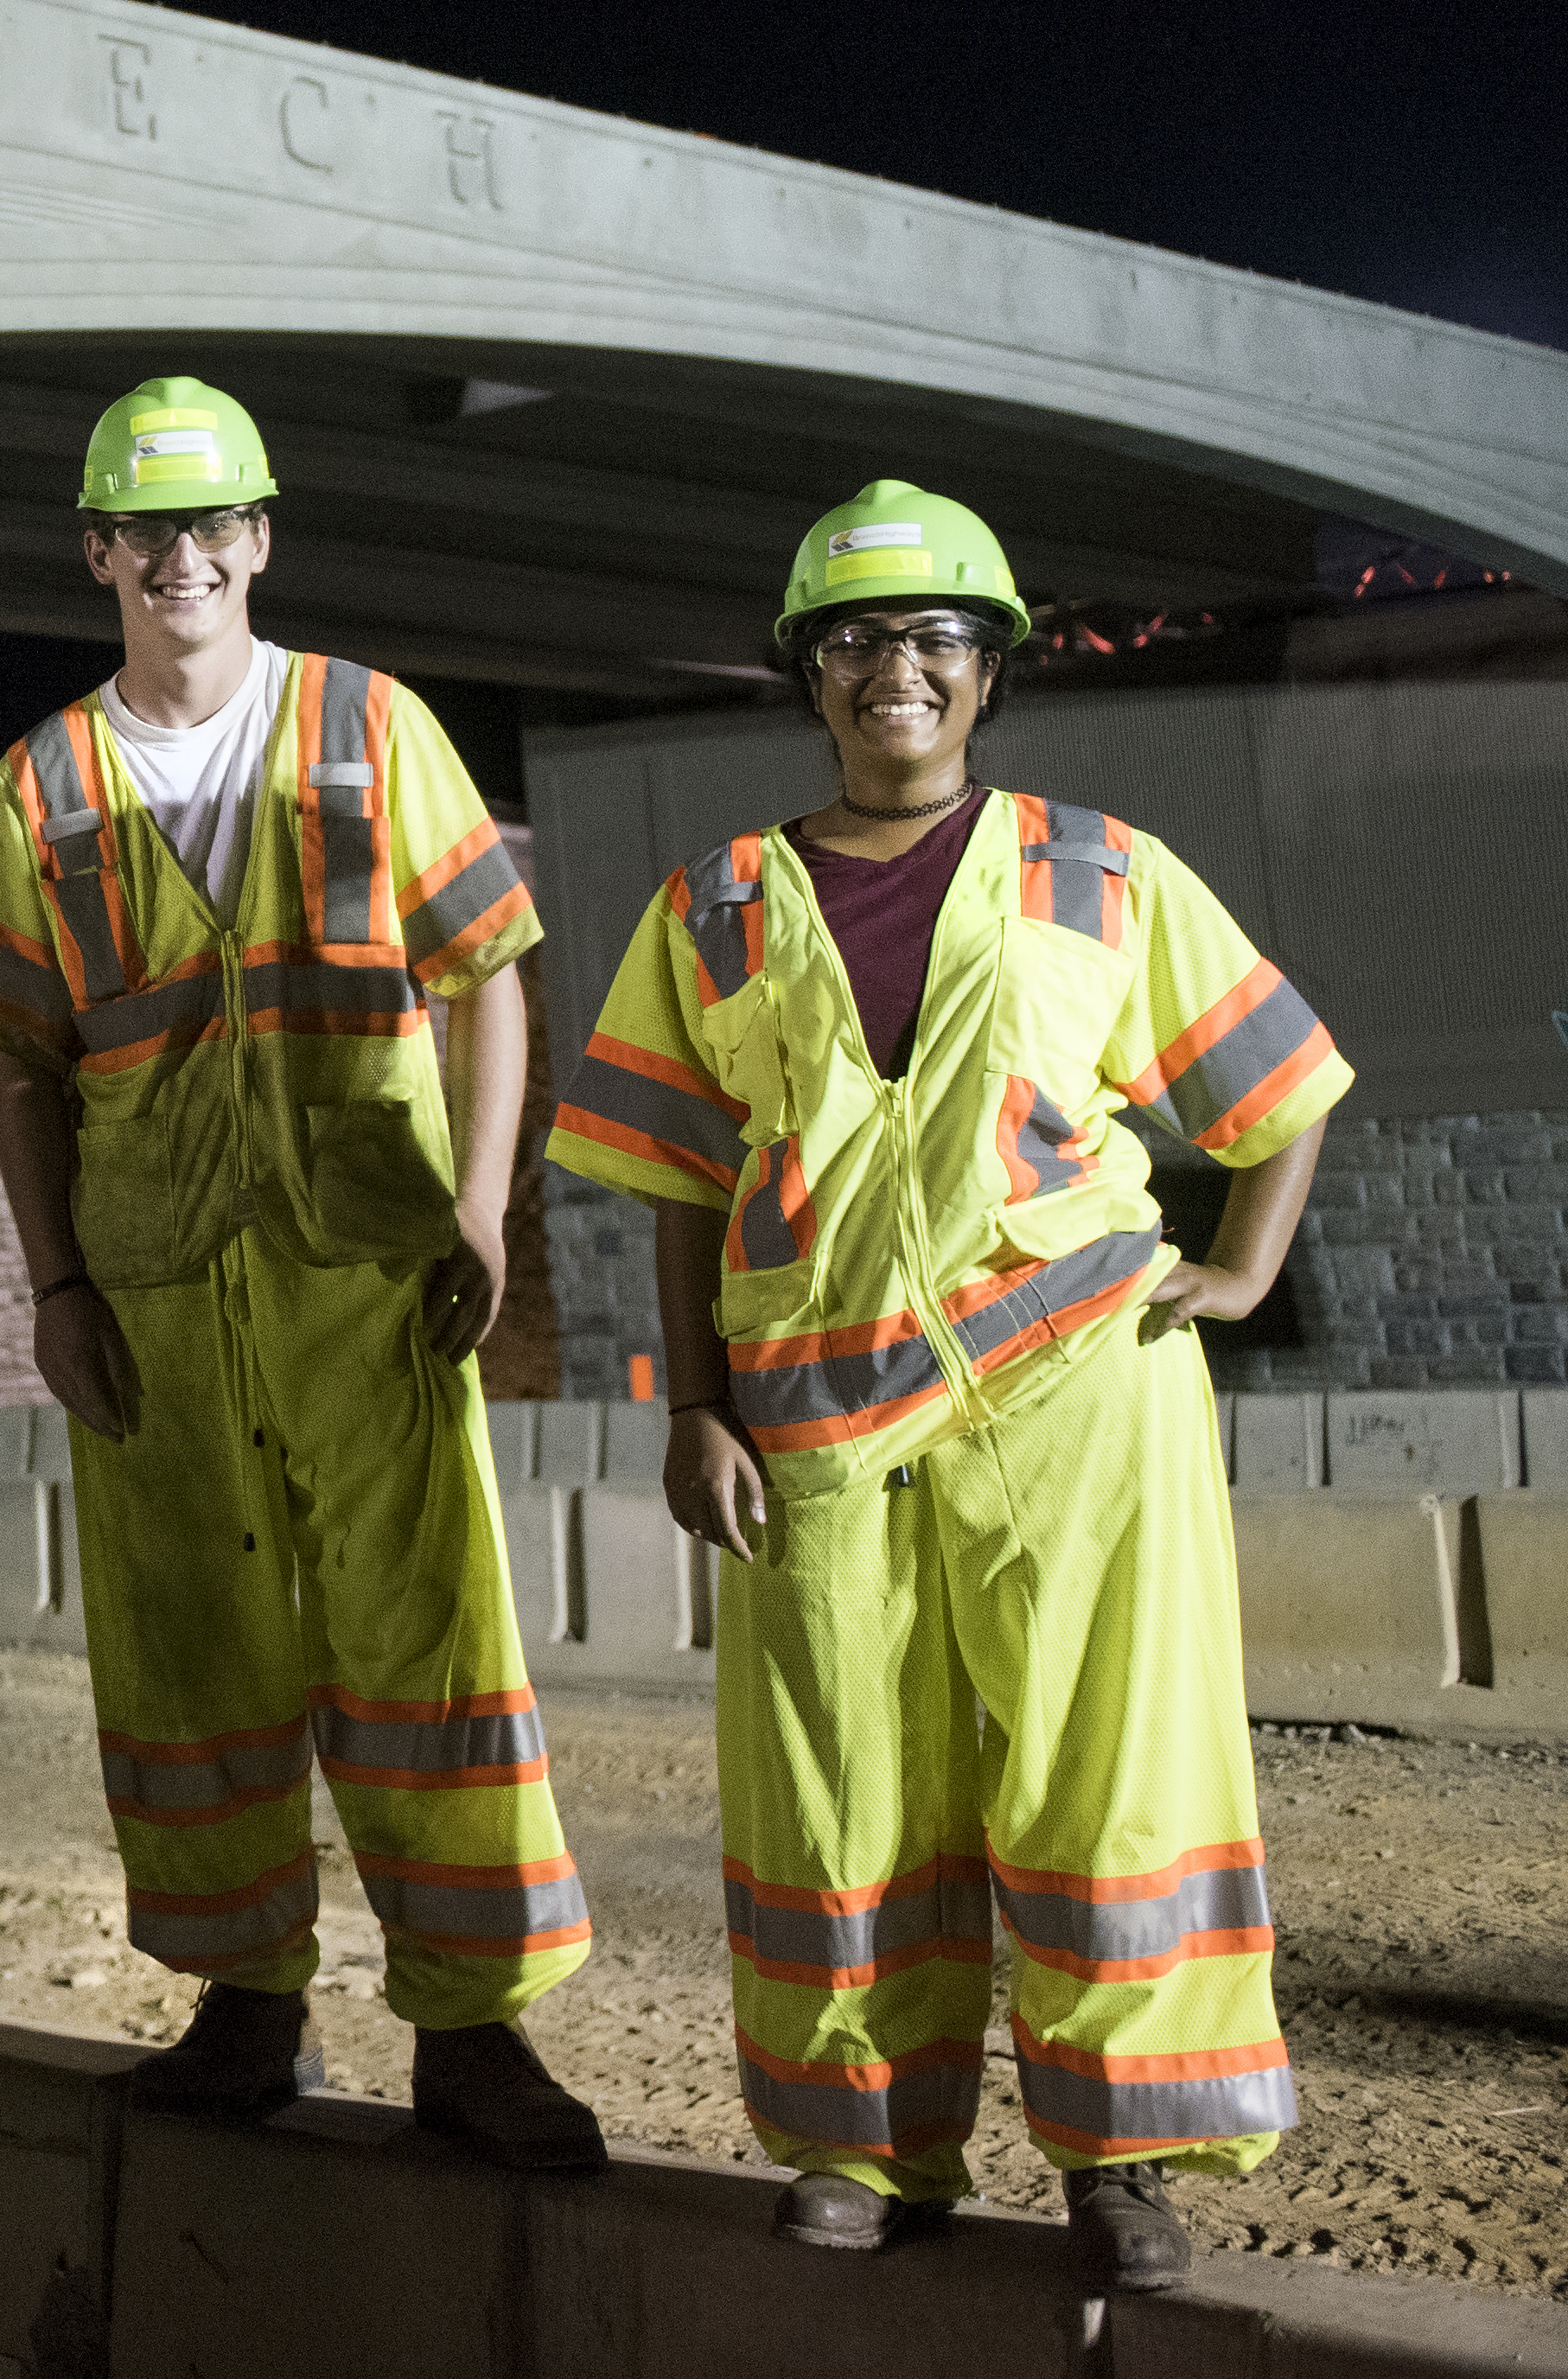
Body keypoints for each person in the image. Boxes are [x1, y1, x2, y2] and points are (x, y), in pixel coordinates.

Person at [546, 480, 1342, 2293]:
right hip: (813, 1434)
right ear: (802, 677)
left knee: (1100, 1774)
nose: (889, 671)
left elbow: (1275, 1088)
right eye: (850, 643)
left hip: (1074, 1396)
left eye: (928, 640)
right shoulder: (717, 907)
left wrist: (1238, 1269)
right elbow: (676, 1173)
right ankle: (861, 2146)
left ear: (986, 672)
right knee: (839, 1798)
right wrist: (689, 1402)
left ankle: (1121, 2159)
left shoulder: (1099, 871)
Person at [0, 375, 604, 2170]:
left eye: (211, 528)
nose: (179, 560)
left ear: (257, 541)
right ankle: (242, 2005)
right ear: (98, 552)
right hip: (148, 1300)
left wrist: (480, 1210)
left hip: (362, 1268)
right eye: (146, 532)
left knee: (420, 1642)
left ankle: (471, 2029)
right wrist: (52, 1290)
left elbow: (485, 973)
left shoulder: (368, 727)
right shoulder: (41, 784)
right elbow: (18, 1066)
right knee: (189, 1656)